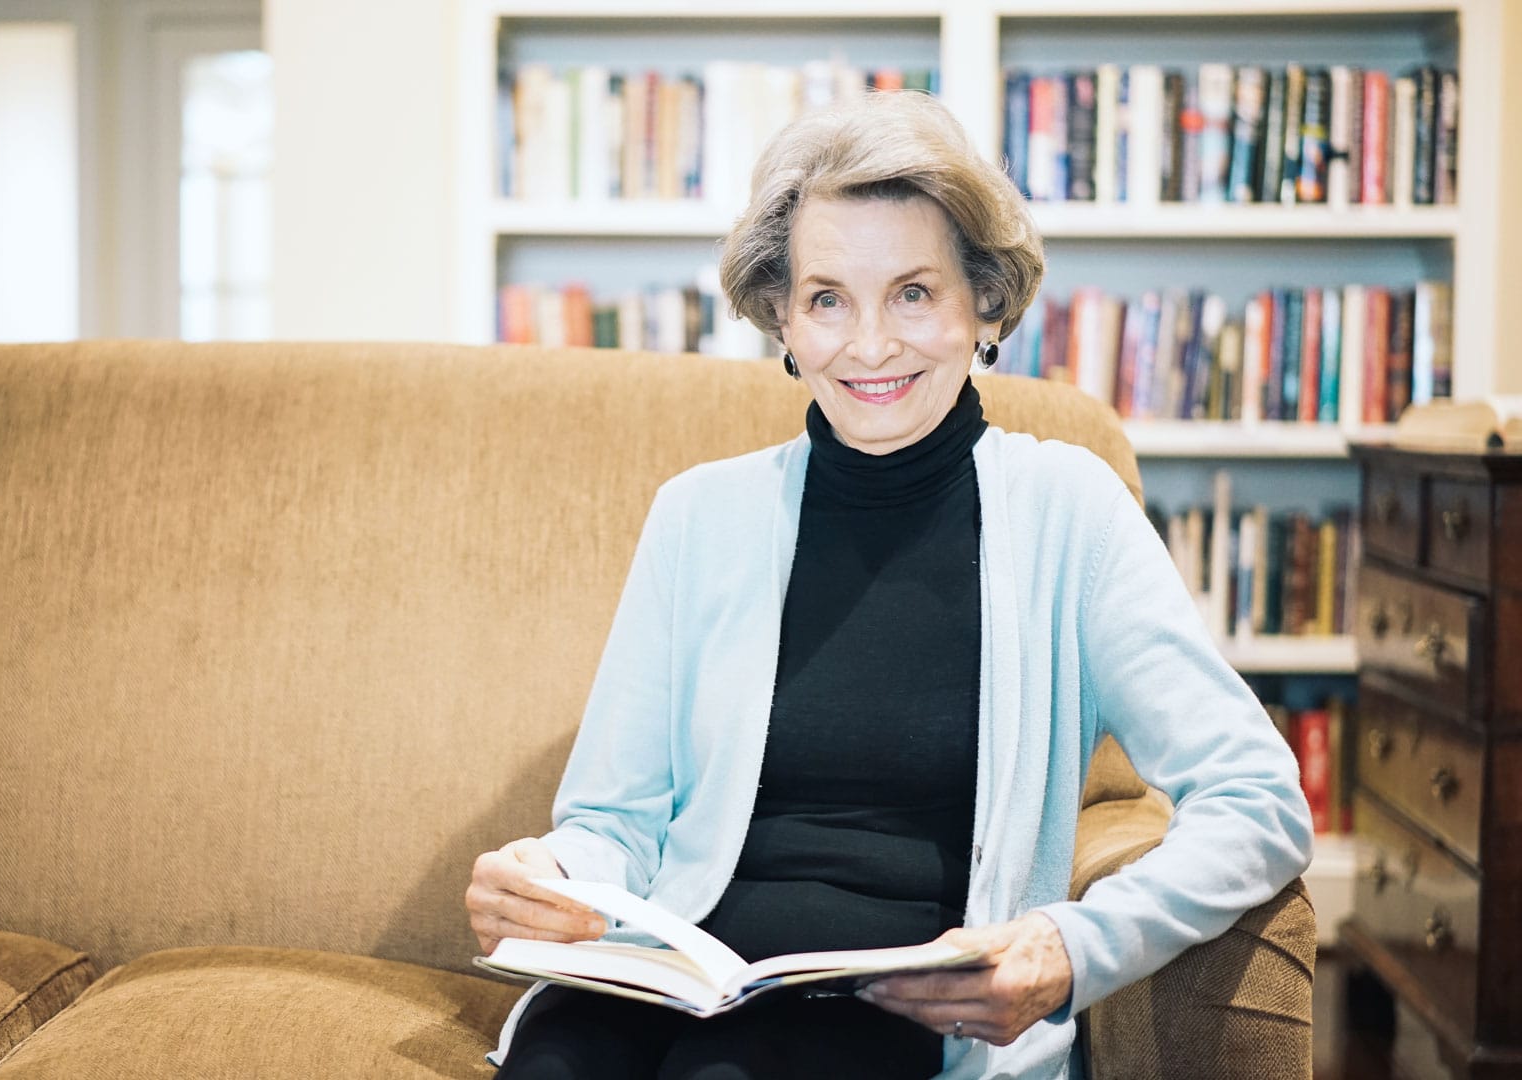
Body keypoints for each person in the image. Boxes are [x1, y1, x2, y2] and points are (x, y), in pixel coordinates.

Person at [464, 89, 1313, 1080]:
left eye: (912, 292)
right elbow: (615, 821)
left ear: (981, 303)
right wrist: (554, 877)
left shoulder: (1065, 511)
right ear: (781, 317)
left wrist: (1072, 947)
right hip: (679, 964)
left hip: (893, 1002)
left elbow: (1256, 801)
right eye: (827, 298)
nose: (868, 345)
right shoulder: (697, 515)